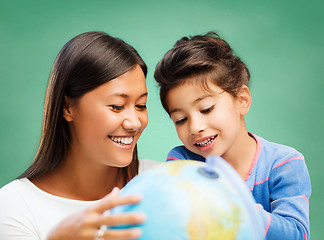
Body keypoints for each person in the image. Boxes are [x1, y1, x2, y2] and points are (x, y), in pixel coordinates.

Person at [154, 32, 311, 239]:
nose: (195, 127)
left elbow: (296, 234)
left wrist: (232, 201)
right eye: (181, 120)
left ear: (242, 100)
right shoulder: (182, 162)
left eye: (206, 109)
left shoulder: (285, 163)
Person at [0, 31, 155, 240]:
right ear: (67, 107)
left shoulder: (167, 181)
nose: (134, 122)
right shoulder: (15, 205)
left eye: (141, 106)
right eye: (117, 106)